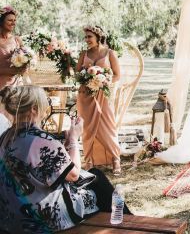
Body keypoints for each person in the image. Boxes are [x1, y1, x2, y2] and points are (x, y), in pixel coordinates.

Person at [0, 85, 131, 233]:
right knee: (98, 179)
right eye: (45, 104)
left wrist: (64, 146)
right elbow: (73, 175)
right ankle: (130, 224)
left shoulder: (6, 137)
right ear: (34, 109)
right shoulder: (41, 140)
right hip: (41, 219)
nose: (46, 109)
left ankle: (128, 223)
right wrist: (74, 139)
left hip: (9, 215)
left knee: (94, 177)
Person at [76, 25, 122, 174]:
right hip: (85, 96)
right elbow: (77, 75)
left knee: (107, 126)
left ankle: (115, 159)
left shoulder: (110, 53)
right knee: (87, 128)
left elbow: (117, 75)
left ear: (97, 37)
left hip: (103, 95)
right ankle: (89, 160)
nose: (87, 40)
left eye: (89, 36)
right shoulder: (84, 54)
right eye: (86, 37)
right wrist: (86, 78)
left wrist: (104, 81)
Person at [0, 5, 26, 91]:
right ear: (1, 22)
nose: (13, 23)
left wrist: (26, 64)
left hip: (17, 85)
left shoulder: (17, 40)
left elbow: (26, 58)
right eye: (10, 20)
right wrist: (11, 71)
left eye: (14, 20)